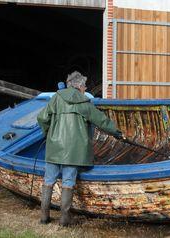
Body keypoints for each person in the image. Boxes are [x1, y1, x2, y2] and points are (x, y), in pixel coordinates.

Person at [37, 71, 123, 226]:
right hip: (74, 151)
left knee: (48, 180)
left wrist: (48, 134)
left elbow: (42, 118)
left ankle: (44, 217)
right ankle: (65, 219)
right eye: (84, 85)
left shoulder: (56, 98)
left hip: (54, 147)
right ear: (78, 86)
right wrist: (118, 133)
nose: (85, 88)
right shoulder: (84, 103)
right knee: (68, 181)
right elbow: (102, 121)